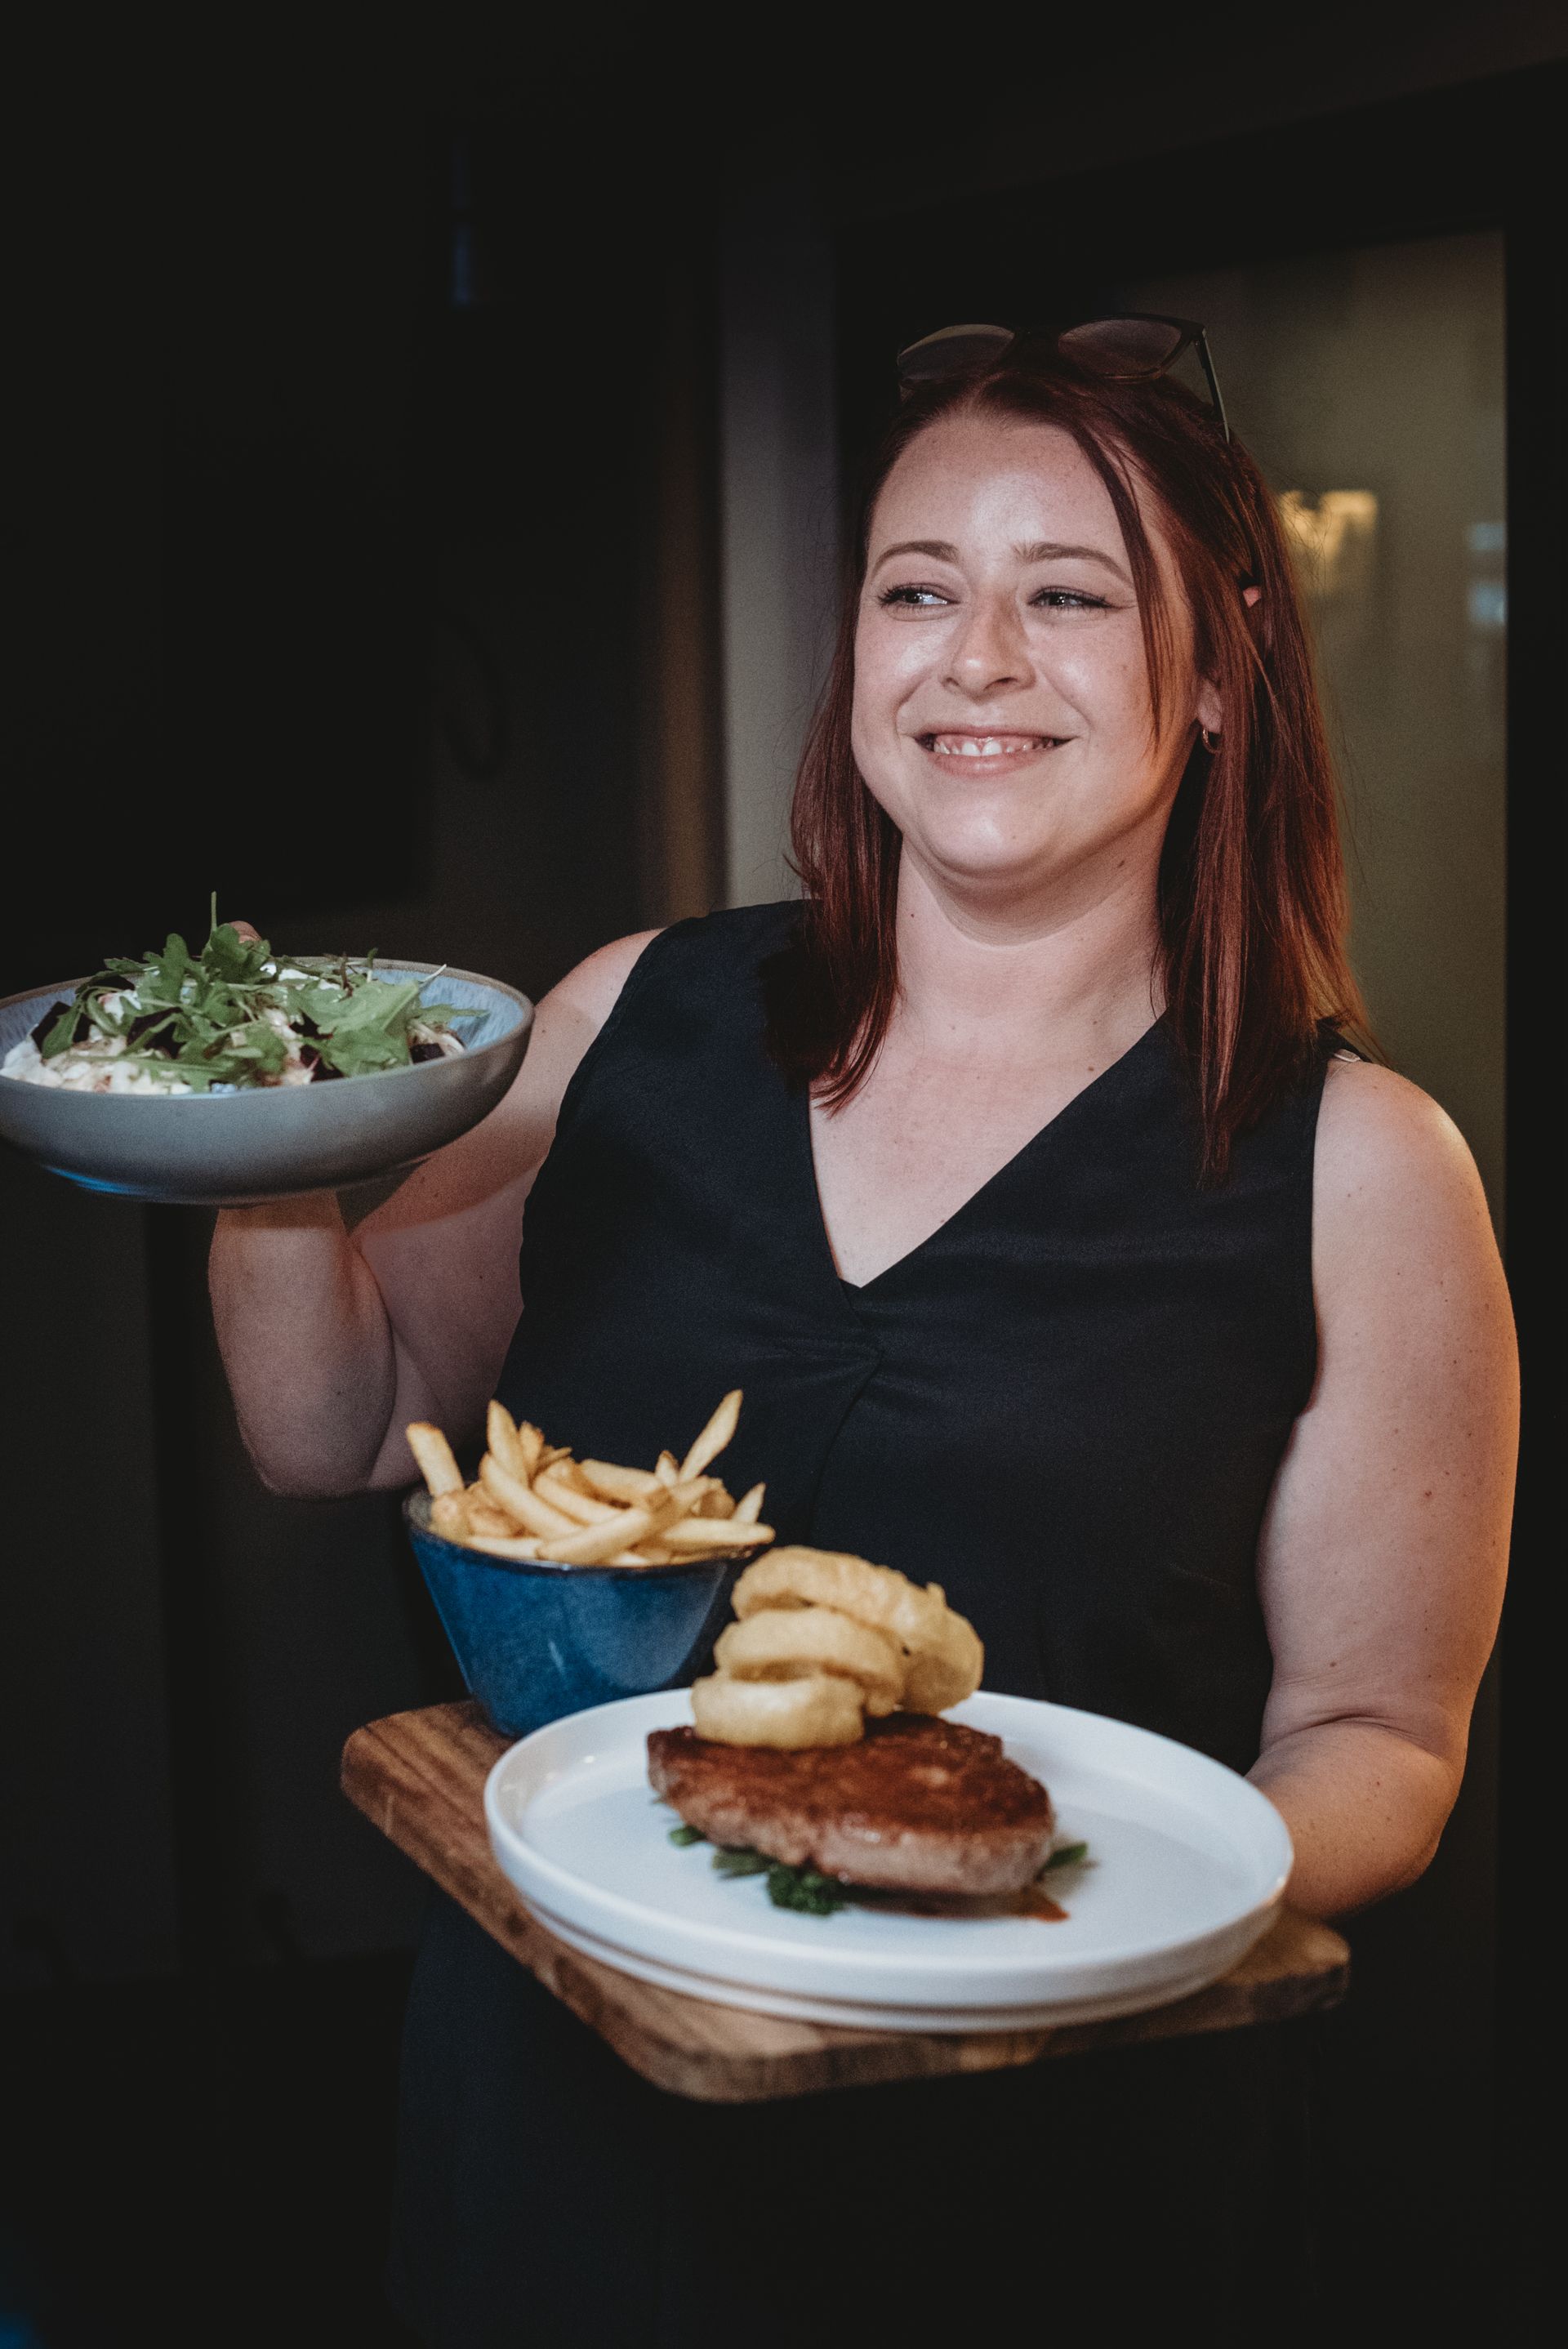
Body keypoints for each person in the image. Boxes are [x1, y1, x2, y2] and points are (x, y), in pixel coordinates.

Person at [210, 323, 1517, 2345]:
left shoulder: (1363, 1168)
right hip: (562, 2134)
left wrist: (1037, 1898)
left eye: (1068, 596)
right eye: (918, 590)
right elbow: (336, 1421)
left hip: (1051, 2193)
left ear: (1224, 666)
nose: (975, 657)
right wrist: (254, 1129)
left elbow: (1382, 1744)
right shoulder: (623, 1019)